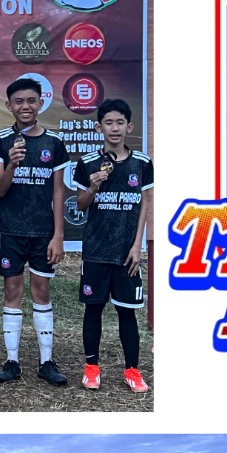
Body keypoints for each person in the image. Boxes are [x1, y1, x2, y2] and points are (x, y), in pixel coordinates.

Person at [0, 77, 73, 386]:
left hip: (43, 231)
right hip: (11, 229)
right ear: (9, 106)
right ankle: (12, 361)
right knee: (12, 292)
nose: (25, 106)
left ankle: (46, 361)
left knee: (41, 291)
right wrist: (11, 165)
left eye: (31, 100)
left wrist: (59, 234)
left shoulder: (54, 143)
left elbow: (59, 192)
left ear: (41, 103)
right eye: (18, 101)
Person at [67, 98, 153, 392]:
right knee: (93, 309)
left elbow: (143, 204)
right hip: (95, 250)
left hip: (126, 253)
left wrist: (136, 246)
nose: (114, 128)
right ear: (98, 127)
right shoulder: (88, 162)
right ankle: (92, 367)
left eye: (120, 122)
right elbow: (80, 205)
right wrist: (93, 186)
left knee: (127, 312)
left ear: (129, 126)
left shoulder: (141, 163)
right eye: (108, 122)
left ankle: (132, 370)